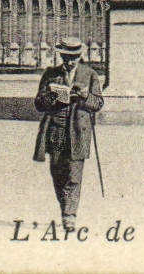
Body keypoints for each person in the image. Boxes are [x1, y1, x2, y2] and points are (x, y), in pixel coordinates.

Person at [33, 37, 104, 233]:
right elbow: (39, 103)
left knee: (73, 175)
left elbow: (98, 104)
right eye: (65, 57)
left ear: (79, 57)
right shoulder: (50, 74)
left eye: (72, 58)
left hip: (78, 131)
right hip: (56, 129)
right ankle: (65, 206)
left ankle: (69, 215)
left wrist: (84, 96)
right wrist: (52, 97)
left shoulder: (89, 75)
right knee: (57, 172)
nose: (69, 61)